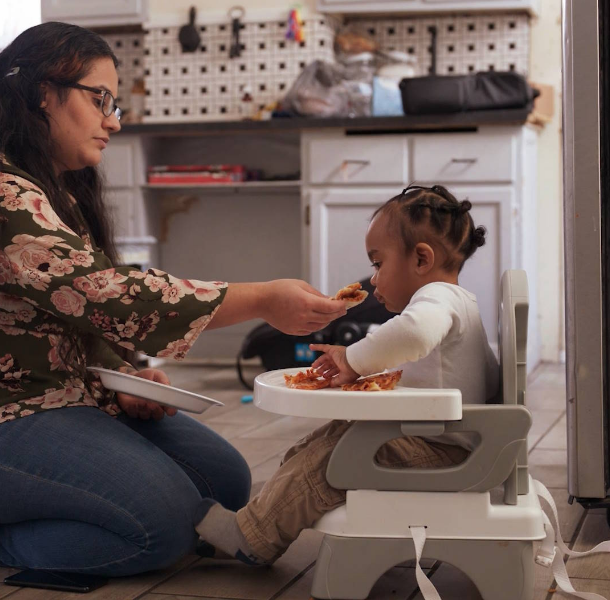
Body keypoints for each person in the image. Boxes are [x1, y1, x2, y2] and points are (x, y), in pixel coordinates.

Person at [0, 22, 347, 576]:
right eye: (99, 98)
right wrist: (260, 299)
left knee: (224, 482)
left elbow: (63, 312)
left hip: (48, 400)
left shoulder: (47, 189)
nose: (113, 119)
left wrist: (116, 376)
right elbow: (111, 298)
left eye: (114, 103)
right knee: (165, 524)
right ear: (41, 93)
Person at [194, 184, 499, 566]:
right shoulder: (462, 303)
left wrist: (352, 360)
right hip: (437, 444)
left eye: (378, 263)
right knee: (327, 439)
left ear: (421, 259)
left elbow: (414, 333)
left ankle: (253, 538)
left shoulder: (436, 298)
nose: (373, 279)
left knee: (332, 458)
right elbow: (484, 374)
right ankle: (264, 512)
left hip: (438, 453)